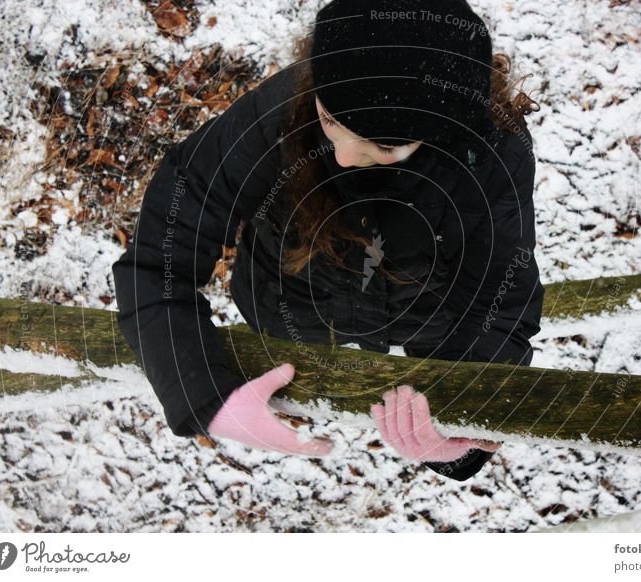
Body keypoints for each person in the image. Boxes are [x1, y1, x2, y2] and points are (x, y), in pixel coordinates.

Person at [111, 0, 544, 482]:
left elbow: (502, 300)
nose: (341, 157)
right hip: (285, 308)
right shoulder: (283, 108)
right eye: (331, 118)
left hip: (422, 322)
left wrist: (460, 433)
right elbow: (164, 245)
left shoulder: (491, 154)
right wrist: (203, 395)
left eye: (383, 145)